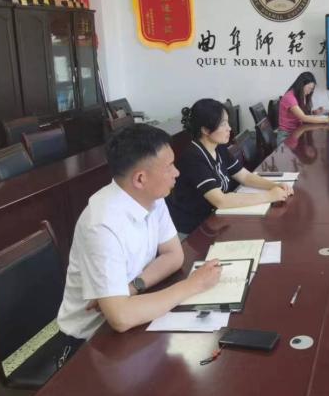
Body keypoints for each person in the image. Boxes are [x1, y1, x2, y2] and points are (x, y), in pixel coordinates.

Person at [56, 124, 223, 344]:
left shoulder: (152, 197)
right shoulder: (101, 225)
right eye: (169, 167)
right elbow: (121, 318)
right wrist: (193, 285)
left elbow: (174, 255)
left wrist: (132, 288)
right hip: (91, 339)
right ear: (140, 179)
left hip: (134, 314)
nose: (177, 172)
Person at [168, 98, 292, 235]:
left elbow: (244, 176)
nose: (229, 128)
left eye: (227, 122)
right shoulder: (194, 158)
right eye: (223, 124)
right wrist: (269, 196)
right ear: (205, 130)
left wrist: (274, 186)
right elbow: (221, 201)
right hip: (196, 228)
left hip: (218, 217)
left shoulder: (218, 147)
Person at [278, 72, 329, 137]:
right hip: (286, 136)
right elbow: (303, 118)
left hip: (296, 132)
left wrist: (314, 113)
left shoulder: (300, 95)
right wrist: (327, 119)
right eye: (309, 88)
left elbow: (299, 114)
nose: (309, 92)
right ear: (301, 85)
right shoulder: (290, 97)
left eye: (311, 89)